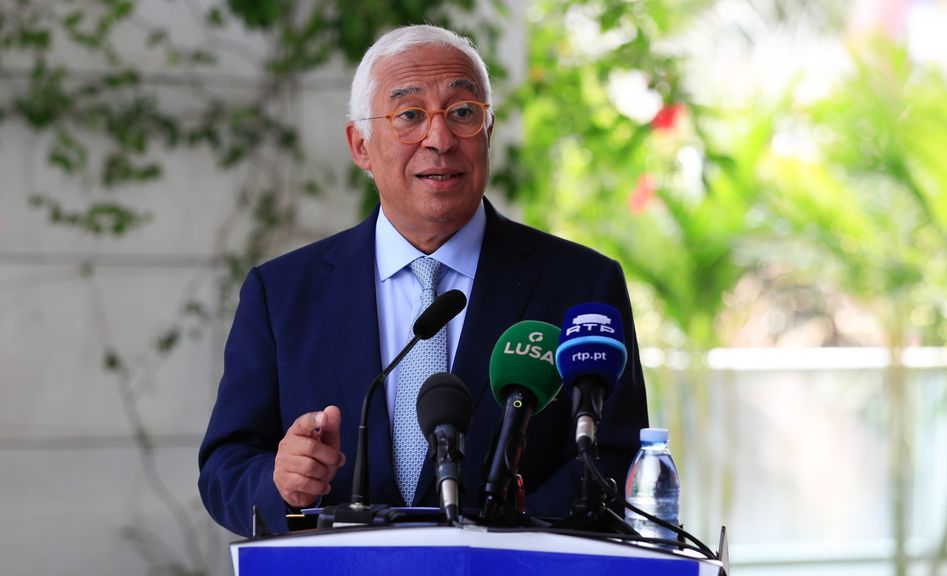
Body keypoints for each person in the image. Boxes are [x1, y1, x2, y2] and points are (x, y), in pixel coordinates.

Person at [198, 24, 649, 538]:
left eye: (462, 113)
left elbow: (614, 458)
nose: (440, 139)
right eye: (410, 115)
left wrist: (502, 545)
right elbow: (226, 466)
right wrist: (282, 484)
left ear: (488, 131)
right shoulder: (282, 294)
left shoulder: (582, 286)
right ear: (361, 146)